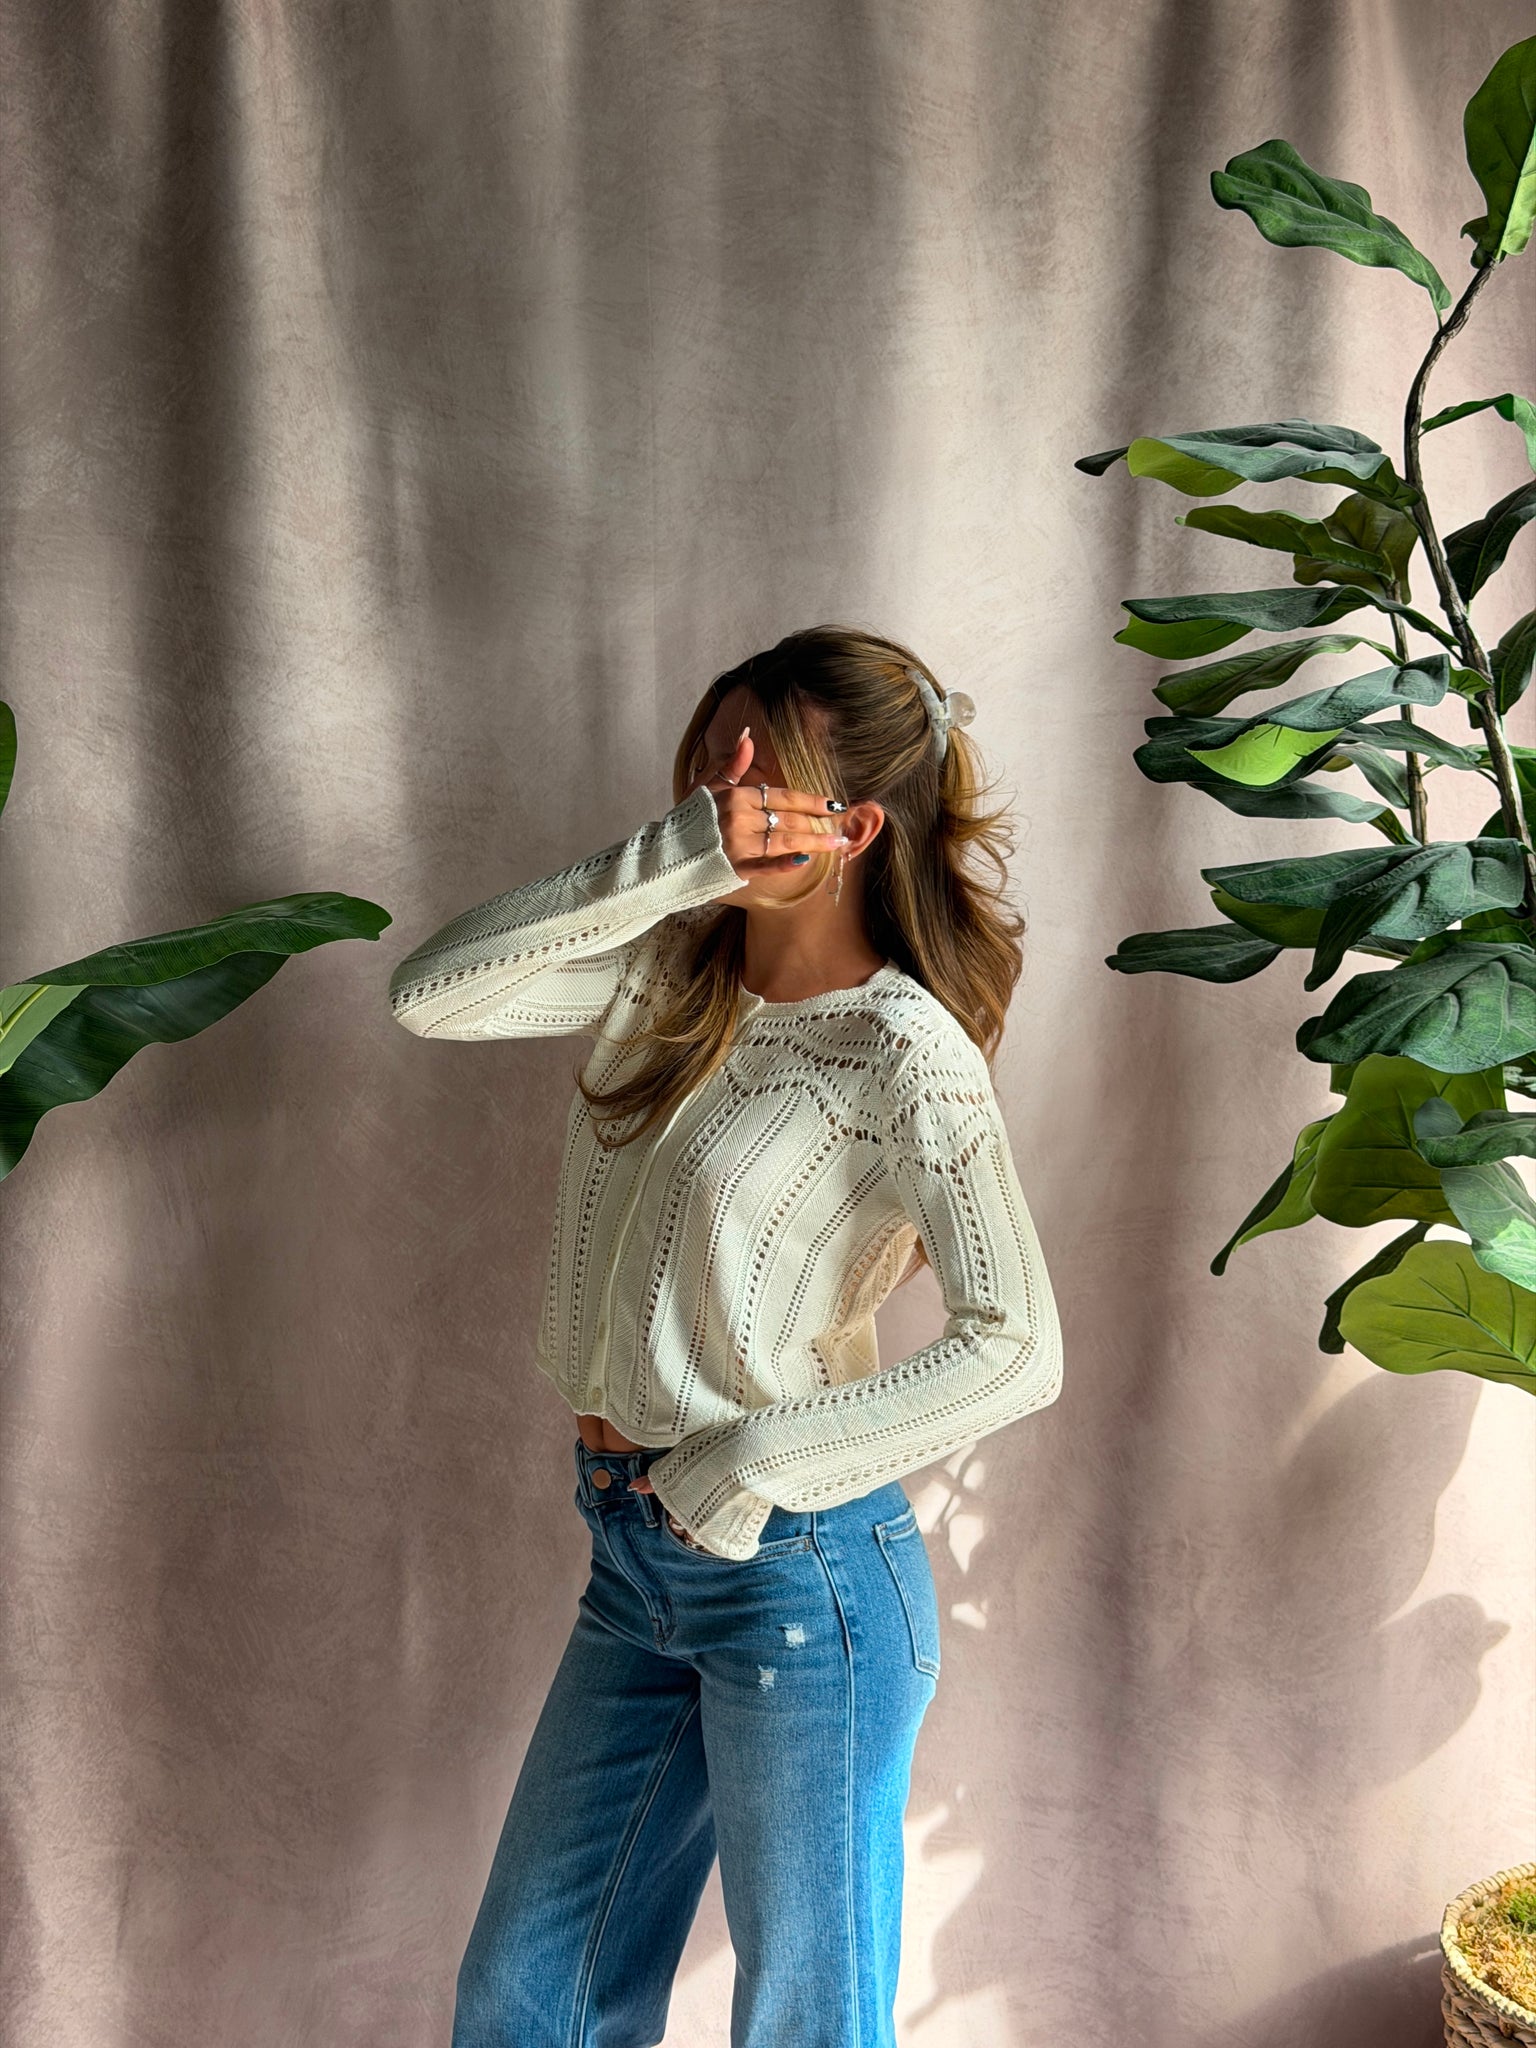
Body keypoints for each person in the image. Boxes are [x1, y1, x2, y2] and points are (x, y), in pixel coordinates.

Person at [386, 623, 1064, 2048]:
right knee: (526, 2002)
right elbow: (430, 995)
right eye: (711, 762)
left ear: (853, 827)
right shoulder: (668, 977)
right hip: (633, 1558)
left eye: (756, 775)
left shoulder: (903, 1049)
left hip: (802, 1576)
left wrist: (753, 1458)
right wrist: (677, 859)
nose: (718, 793)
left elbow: (1017, 1343)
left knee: (804, 2027)